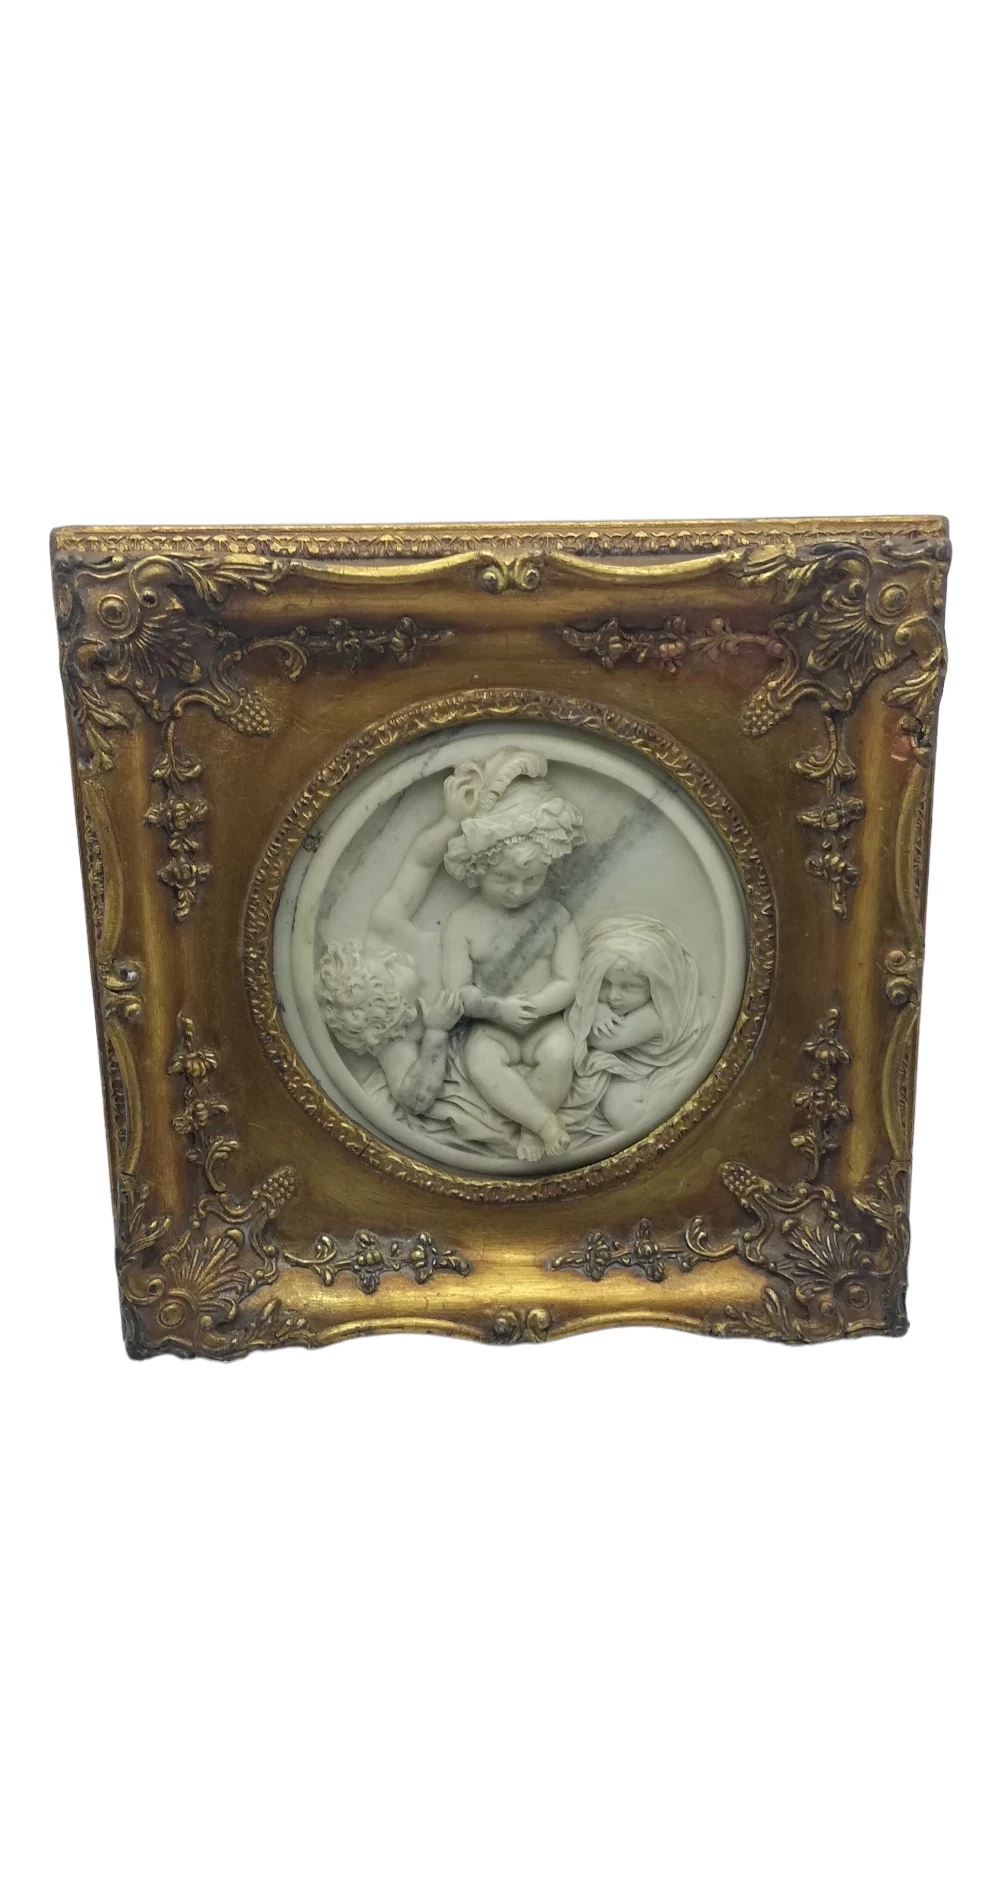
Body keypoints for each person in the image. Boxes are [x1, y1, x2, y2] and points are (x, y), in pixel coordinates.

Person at [440, 749, 585, 1161]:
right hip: (492, 1027)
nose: (517, 891)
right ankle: (544, 1124)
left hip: (544, 1022)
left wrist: (540, 1004)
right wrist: (498, 1009)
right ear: (477, 868)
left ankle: (529, 1129)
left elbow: (568, 980)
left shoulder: (555, 917)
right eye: (503, 878)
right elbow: (458, 991)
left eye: (531, 879)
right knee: (482, 1063)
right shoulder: (463, 922)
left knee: (560, 1054)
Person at [316, 770, 481, 1114]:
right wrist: (436, 1032)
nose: (392, 955)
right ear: (393, 1014)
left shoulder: (385, 928)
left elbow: (419, 864)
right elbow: (414, 1098)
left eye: (378, 956)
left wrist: (451, 821)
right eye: (390, 972)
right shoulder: (398, 1040)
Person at [566, 914, 709, 1131]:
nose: (613, 996)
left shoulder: (656, 1014)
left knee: (622, 1112)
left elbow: (601, 1040)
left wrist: (591, 1011)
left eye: (630, 987)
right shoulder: (614, 1001)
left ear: (655, 986)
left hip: (650, 1074)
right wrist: (597, 1007)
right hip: (623, 1070)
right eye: (604, 983)